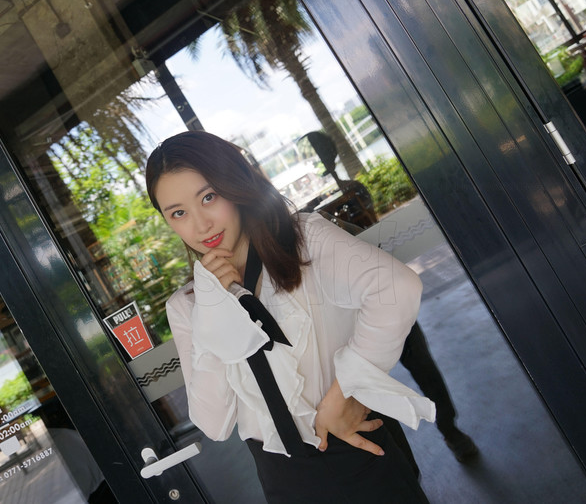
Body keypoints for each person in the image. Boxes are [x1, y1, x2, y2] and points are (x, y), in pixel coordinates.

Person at [146, 131, 436, 504]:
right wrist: (213, 310)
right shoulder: (187, 305)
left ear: (233, 186)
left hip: (350, 438)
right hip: (281, 473)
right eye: (179, 213)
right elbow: (215, 423)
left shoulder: (303, 239)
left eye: (208, 197)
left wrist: (345, 390)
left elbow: (397, 287)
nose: (201, 225)